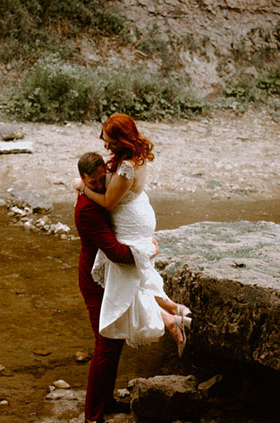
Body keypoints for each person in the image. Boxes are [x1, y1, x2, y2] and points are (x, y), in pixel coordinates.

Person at [74, 113, 192, 354]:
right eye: (104, 141)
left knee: (123, 280)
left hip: (131, 222)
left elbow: (107, 202)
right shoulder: (135, 156)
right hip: (139, 214)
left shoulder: (127, 166)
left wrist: (84, 188)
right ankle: (173, 310)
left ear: (124, 139)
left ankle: (170, 319)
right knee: (133, 277)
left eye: (111, 142)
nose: (106, 146)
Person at [74, 151, 138, 423]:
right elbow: (116, 252)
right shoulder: (87, 209)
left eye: (102, 180)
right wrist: (146, 249)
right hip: (94, 280)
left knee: (115, 340)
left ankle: (106, 400)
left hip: (106, 278)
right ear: (85, 179)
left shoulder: (99, 192)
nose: (100, 187)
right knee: (106, 343)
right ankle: (93, 418)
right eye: (94, 183)